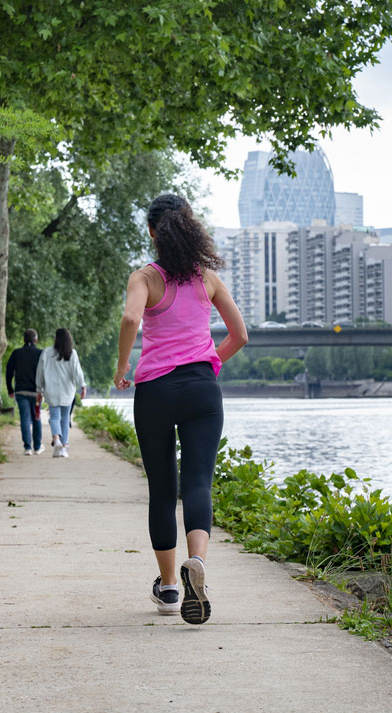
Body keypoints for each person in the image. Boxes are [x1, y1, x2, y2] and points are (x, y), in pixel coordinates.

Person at [113, 194, 247, 625]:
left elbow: (132, 319)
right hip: (202, 391)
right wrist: (209, 362)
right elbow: (240, 334)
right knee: (198, 483)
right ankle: (198, 563)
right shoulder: (206, 278)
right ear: (189, 227)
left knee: (161, 490)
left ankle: (170, 587)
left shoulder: (145, 278)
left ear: (152, 231)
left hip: (155, 391)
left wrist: (122, 368)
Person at [36, 327, 87, 458]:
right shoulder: (72, 353)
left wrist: (39, 389)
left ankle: (56, 439)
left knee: (54, 417)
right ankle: (63, 448)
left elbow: (40, 372)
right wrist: (83, 386)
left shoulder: (47, 352)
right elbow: (77, 372)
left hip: (51, 391)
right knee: (65, 418)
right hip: (67, 391)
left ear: (56, 338)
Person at [5, 329, 44, 456]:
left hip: (21, 391)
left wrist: (10, 389)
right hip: (36, 392)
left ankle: (27, 447)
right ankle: (37, 447)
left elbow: (9, 371)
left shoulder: (16, 353)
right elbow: (45, 373)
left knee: (25, 418)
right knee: (37, 418)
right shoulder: (40, 353)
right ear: (35, 340)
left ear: (23, 340)